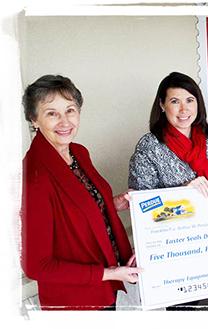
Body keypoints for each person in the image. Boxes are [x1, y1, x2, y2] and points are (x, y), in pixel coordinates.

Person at [21, 75, 141, 310]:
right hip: (76, 301)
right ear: (34, 119)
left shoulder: (78, 153)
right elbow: (36, 265)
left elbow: (76, 208)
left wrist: (112, 202)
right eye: (51, 113)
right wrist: (109, 273)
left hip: (104, 288)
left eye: (70, 110)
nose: (64, 121)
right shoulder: (34, 177)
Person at [128, 72, 208, 195]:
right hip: (179, 214)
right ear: (162, 105)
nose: (184, 109)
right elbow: (142, 204)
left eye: (189, 100)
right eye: (175, 101)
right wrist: (182, 191)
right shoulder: (149, 147)